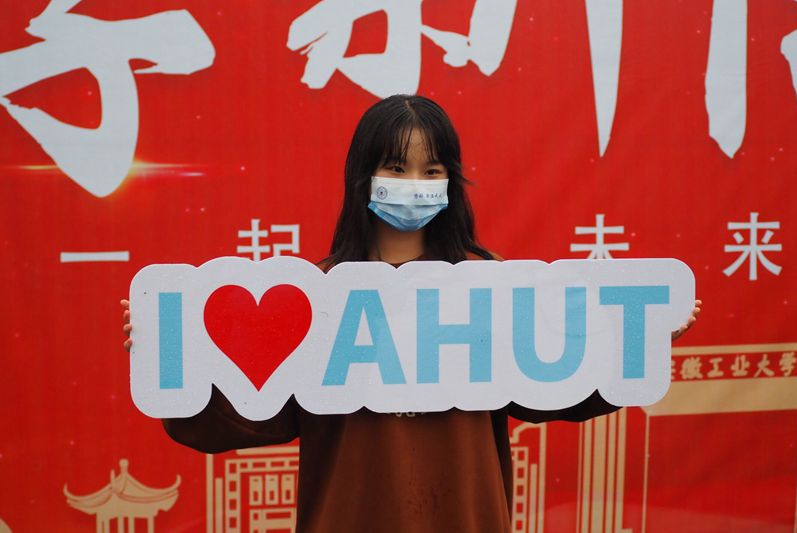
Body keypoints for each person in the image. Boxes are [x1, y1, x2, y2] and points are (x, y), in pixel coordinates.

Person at [121, 95, 701, 532]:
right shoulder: (315, 294)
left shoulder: (488, 284)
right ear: (363, 177)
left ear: (451, 181)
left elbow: (554, 388)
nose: (414, 185)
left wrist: (636, 340)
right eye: (396, 168)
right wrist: (174, 360)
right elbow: (253, 414)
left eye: (432, 171)